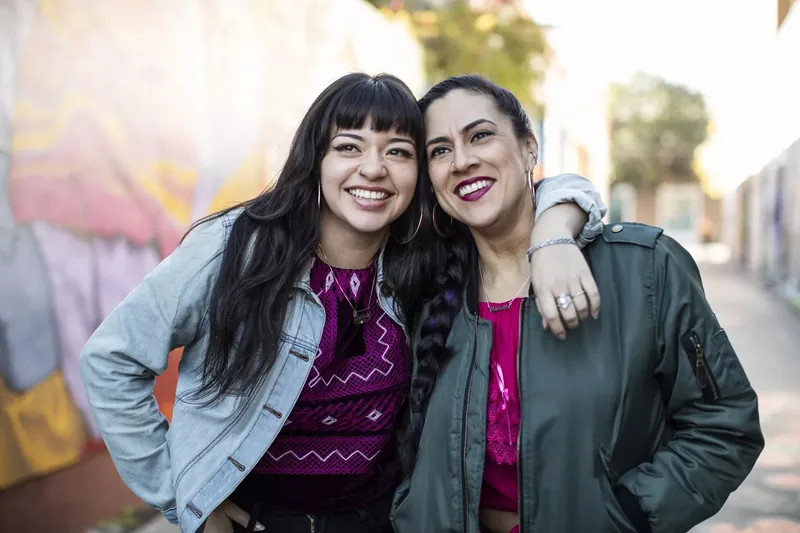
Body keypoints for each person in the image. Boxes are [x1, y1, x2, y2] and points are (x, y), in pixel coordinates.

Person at [80, 73, 606, 533]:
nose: (373, 169)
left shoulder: (421, 262)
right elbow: (111, 359)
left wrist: (554, 233)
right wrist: (184, 500)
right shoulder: (238, 248)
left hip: (381, 520)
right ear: (316, 158)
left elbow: (556, 186)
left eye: (398, 151)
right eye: (349, 147)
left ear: (419, 173)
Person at [390, 75, 764, 533]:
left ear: (530, 148)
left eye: (480, 135)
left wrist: (627, 515)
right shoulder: (423, 292)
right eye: (440, 150)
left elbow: (724, 425)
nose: (462, 160)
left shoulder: (644, 270)